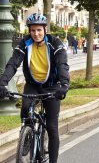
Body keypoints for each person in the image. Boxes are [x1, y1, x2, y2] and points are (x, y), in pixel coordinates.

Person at [0, 13, 70, 163]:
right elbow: (13, 63)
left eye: (39, 30)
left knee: (51, 127)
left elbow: (62, 64)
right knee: (26, 110)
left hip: (52, 86)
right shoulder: (24, 43)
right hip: (33, 85)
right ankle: (26, 135)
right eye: (32, 30)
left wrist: (64, 84)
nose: (36, 34)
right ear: (29, 31)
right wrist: (2, 82)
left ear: (45, 29)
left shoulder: (55, 43)